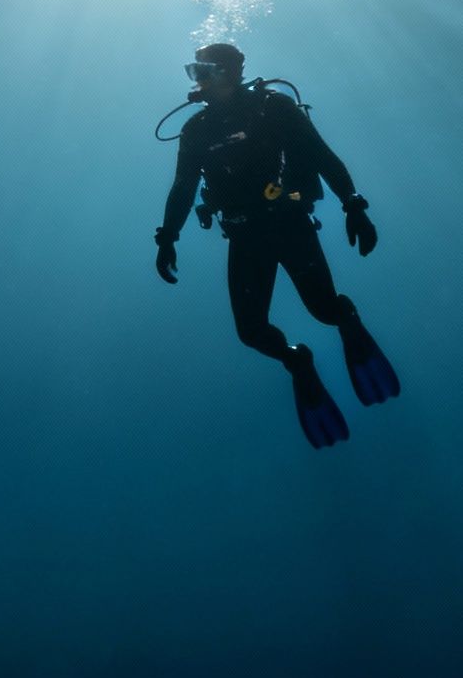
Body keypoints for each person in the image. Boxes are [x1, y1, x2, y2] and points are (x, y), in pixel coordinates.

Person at [153, 42, 399, 449]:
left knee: (323, 309)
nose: (199, 80)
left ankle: (348, 323)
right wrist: (167, 237)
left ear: (232, 71)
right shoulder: (196, 130)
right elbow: (183, 187)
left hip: (288, 224)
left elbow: (322, 156)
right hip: (244, 235)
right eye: (193, 71)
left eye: (206, 70)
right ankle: (296, 360)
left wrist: (353, 204)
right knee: (250, 332)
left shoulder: (274, 108)